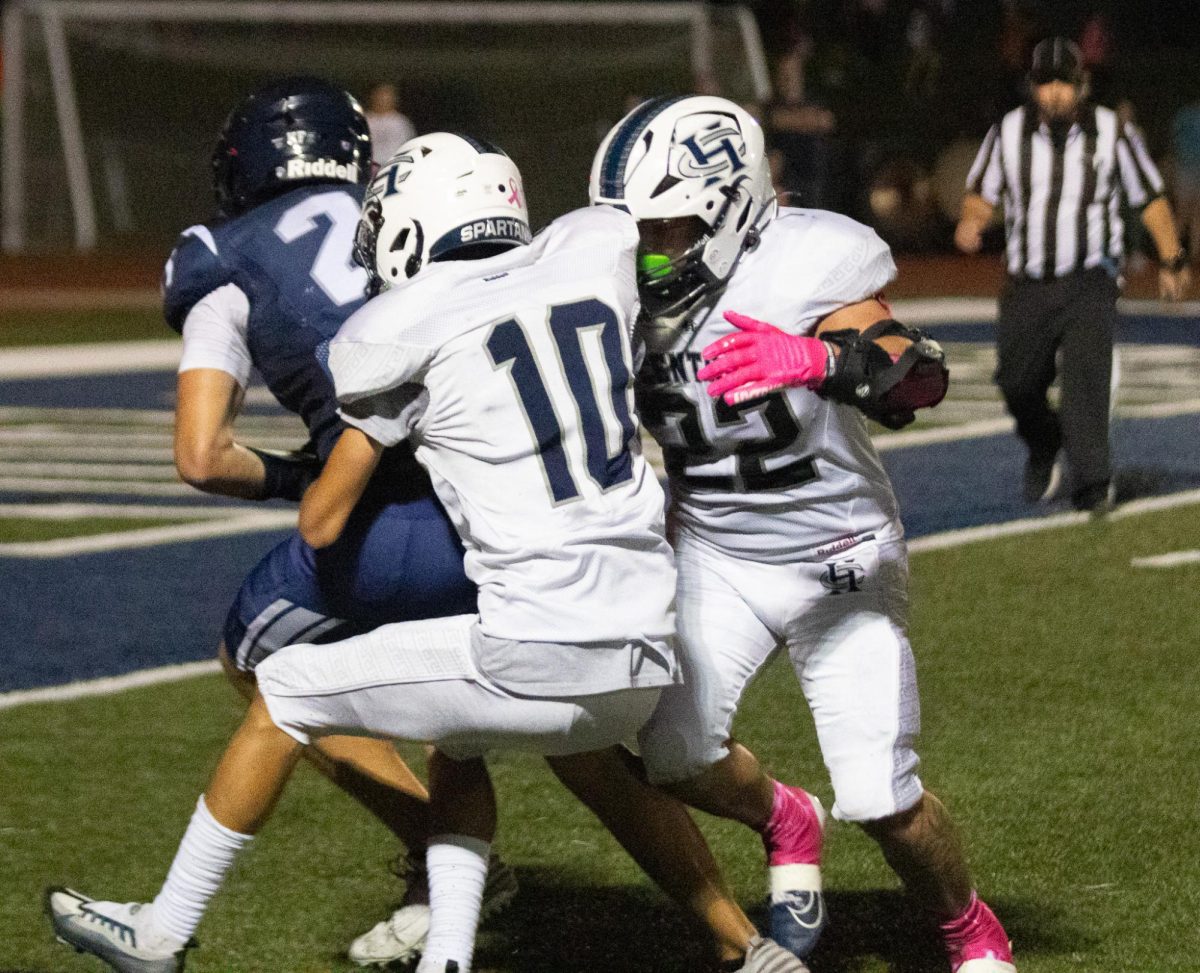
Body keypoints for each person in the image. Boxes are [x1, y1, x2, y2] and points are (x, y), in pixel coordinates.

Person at [43, 82, 510, 973]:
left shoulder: (223, 255)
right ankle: (748, 911)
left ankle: (178, 924)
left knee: (263, 666)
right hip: (505, 502)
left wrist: (308, 473)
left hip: (377, 520)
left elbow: (202, 455)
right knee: (529, 731)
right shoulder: (418, 205)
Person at [587, 94, 1014, 973]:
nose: (650, 248)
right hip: (713, 552)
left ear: (734, 204)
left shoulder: (804, 262)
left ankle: (969, 927)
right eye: (637, 228)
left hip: (838, 556)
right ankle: (786, 816)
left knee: (881, 796)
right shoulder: (618, 277)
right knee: (673, 757)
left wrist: (823, 360)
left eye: (668, 225)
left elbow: (918, 382)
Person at [955, 37, 1190, 514]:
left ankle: (1092, 484)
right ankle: (1044, 444)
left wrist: (1172, 258)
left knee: (1086, 379)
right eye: (1047, 84)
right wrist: (972, 221)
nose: (1056, 94)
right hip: (1027, 280)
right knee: (1017, 382)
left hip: (1090, 277)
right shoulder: (1008, 132)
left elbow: (1148, 195)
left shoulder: (1111, 132)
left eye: (1065, 83)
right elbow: (982, 190)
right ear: (1032, 87)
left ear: (1081, 85)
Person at [365, 82, 416, 165]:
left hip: (392, 167)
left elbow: (409, 148)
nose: (382, 101)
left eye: (386, 97)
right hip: (367, 168)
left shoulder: (401, 122)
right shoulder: (364, 120)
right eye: (380, 96)